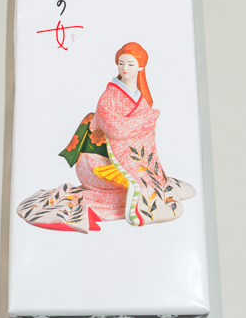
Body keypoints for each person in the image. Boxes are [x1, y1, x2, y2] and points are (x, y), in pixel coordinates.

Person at [17, 42, 195, 234]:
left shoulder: (141, 98)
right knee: (135, 192)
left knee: (150, 184)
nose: (125, 68)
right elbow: (116, 130)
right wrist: (147, 119)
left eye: (130, 64)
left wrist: (146, 120)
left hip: (117, 160)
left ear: (141, 67)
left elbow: (144, 134)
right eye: (121, 63)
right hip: (95, 162)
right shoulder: (108, 97)